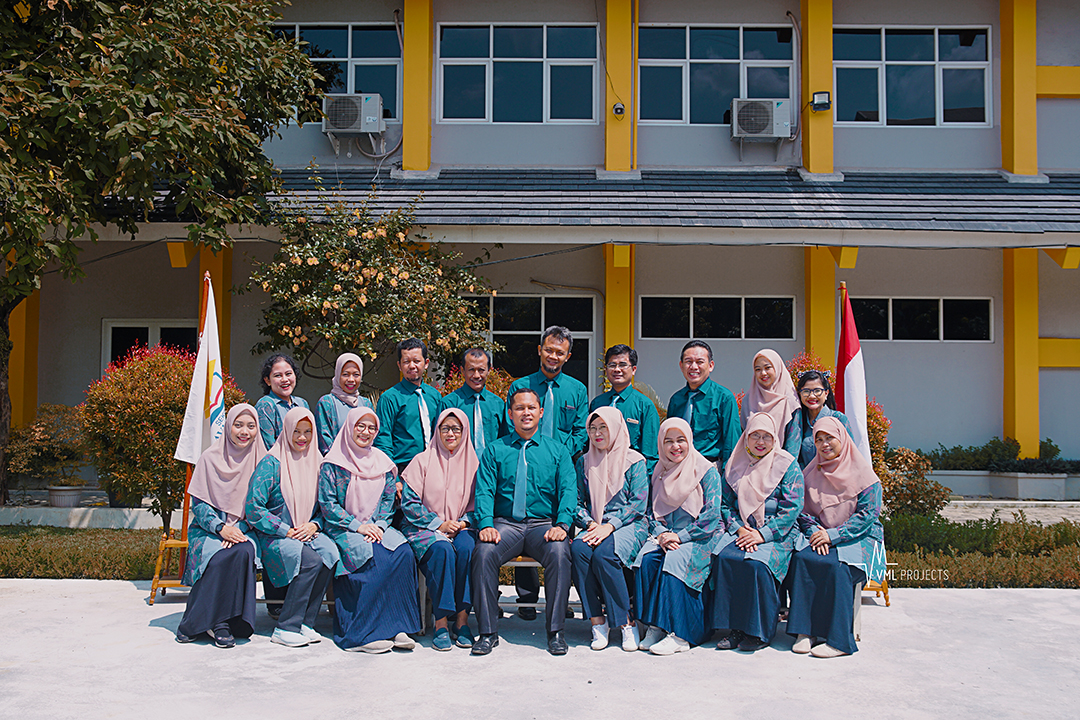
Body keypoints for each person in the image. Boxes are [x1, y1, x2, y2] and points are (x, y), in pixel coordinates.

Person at [470, 388, 577, 656]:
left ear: (541, 412)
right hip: (506, 525)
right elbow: (484, 491)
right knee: (483, 552)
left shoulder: (557, 451)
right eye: (519, 408)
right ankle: (487, 632)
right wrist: (485, 524)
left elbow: (568, 490)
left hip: (544, 525)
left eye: (531, 408)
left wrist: (562, 525)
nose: (525, 413)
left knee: (560, 552)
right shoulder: (495, 450)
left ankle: (555, 632)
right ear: (510, 414)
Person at [319, 407, 421, 653]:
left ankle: (398, 627)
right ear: (349, 428)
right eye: (360, 426)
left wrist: (380, 525)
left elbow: (388, 500)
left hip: (376, 526)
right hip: (344, 527)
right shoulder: (333, 464)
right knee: (370, 556)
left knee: (402, 553)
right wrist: (359, 526)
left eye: (371, 428)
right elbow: (328, 505)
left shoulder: (383, 462)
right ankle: (359, 634)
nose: (366, 432)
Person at [505, 326, 588, 620]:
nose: (553, 356)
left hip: (562, 469)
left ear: (568, 356)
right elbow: (510, 425)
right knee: (524, 521)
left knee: (560, 532)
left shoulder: (577, 390)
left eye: (560, 352)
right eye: (549, 350)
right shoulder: (520, 386)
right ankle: (527, 599)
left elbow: (580, 432)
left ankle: (559, 601)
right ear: (540, 350)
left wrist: (558, 454)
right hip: (525, 465)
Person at [787, 416, 883, 658]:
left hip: (860, 538)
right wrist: (815, 532)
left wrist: (833, 535)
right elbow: (802, 512)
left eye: (829, 438)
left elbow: (867, 516)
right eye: (819, 439)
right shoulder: (811, 472)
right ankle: (805, 632)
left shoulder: (865, 476)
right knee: (802, 559)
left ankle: (839, 641)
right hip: (820, 534)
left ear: (842, 439)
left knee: (838, 567)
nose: (824, 444)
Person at [709, 412, 804, 652]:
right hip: (743, 529)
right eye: (755, 436)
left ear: (775, 439)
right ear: (746, 438)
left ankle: (759, 632)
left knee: (757, 565)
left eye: (766, 436)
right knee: (726, 558)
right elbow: (725, 505)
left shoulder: (786, 465)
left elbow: (792, 508)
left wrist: (762, 535)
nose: (760, 442)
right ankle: (735, 628)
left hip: (777, 532)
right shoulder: (734, 464)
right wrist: (739, 529)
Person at [246, 407, 341, 648]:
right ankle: (286, 626)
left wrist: (314, 524)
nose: (302, 437)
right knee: (310, 561)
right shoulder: (271, 463)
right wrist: (284, 530)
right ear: (286, 430)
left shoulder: (318, 462)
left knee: (330, 553)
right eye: (296, 431)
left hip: (306, 531)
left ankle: (306, 622)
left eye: (308, 432)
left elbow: (326, 506)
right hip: (274, 535)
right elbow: (254, 508)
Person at [175, 404, 264, 648]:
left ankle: (225, 622)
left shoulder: (262, 460)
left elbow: (262, 505)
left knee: (243, 551)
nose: (244, 432)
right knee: (217, 557)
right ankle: (211, 623)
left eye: (251, 426)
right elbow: (199, 505)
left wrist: (239, 529)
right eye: (238, 425)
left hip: (245, 529)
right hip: (208, 529)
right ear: (228, 427)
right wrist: (221, 528)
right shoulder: (209, 458)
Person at [401, 408, 480, 651]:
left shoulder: (475, 464)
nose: (450, 434)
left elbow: (483, 503)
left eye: (456, 429)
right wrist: (439, 524)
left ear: (465, 432)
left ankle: (462, 621)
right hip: (425, 528)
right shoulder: (422, 461)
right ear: (437, 431)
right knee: (442, 551)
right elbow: (409, 503)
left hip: (462, 526)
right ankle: (441, 623)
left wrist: (463, 523)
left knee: (467, 549)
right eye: (445, 428)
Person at [570, 407, 649, 652]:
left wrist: (610, 526)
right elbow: (576, 503)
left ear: (615, 428)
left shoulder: (634, 461)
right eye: (592, 428)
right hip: (595, 524)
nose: (597, 433)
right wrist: (590, 524)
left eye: (603, 427)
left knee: (605, 555)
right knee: (578, 551)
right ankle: (597, 622)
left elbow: (638, 503)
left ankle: (626, 622)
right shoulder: (584, 462)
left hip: (629, 524)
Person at [666, 341, 741, 465]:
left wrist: (728, 473)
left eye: (700, 362)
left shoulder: (724, 398)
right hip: (678, 466)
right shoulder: (676, 399)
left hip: (710, 466)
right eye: (688, 361)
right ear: (681, 365)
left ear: (710, 366)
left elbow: (732, 442)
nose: (694, 367)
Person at [590, 344, 660, 476]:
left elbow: (650, 454)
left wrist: (642, 481)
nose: (617, 369)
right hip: (599, 472)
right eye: (612, 365)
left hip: (630, 475)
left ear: (633, 370)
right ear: (606, 369)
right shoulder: (597, 404)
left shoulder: (645, 405)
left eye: (623, 365)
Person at [374, 338, 442, 474]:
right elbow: (383, 440)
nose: (412, 366)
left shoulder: (435, 396)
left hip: (434, 468)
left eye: (416, 361)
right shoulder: (389, 398)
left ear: (426, 363)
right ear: (399, 365)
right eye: (406, 362)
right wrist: (393, 477)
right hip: (404, 469)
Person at [438, 348, 507, 459]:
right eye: (471, 370)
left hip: (491, 466)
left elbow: (504, 440)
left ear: (489, 370)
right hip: (457, 464)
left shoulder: (498, 404)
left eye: (481, 370)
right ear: (462, 370)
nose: (476, 375)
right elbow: (439, 443)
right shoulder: (449, 404)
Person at [741, 349, 801, 457]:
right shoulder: (748, 400)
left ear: (777, 368)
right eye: (758, 369)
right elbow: (743, 439)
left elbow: (793, 444)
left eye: (768, 368)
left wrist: (783, 465)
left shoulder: (790, 401)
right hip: (751, 462)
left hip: (781, 462)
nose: (763, 373)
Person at [795, 370, 859, 469]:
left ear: (826, 393)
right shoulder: (798, 422)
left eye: (817, 391)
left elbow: (850, 453)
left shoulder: (838, 418)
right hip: (807, 477)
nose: (811, 396)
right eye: (806, 391)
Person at [315, 352, 374, 455]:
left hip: (364, 461)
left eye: (356, 375)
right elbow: (324, 442)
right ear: (338, 375)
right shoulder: (327, 403)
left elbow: (373, 438)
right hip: (336, 462)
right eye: (345, 374)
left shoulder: (366, 404)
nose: (351, 380)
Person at [254, 354, 309, 451]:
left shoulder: (302, 403)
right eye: (278, 375)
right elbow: (268, 446)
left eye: (288, 374)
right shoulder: (265, 405)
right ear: (267, 381)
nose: (284, 379)